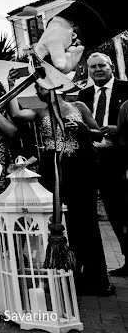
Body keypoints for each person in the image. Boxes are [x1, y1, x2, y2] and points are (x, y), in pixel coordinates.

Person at [8, 83, 114, 296]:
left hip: (81, 169)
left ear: (55, 87)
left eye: (41, 88)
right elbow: (17, 114)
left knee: (86, 222)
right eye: (37, 88)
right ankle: (67, 274)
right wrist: (11, 87)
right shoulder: (40, 111)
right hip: (54, 170)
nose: (38, 92)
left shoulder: (79, 106)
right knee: (58, 221)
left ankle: (95, 277)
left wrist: (81, 129)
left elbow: (98, 134)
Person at [77, 52, 128, 276]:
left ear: (111, 67)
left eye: (101, 66)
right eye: (92, 67)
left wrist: (120, 128)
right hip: (91, 158)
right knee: (94, 214)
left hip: (118, 158)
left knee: (121, 212)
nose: (97, 69)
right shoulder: (83, 95)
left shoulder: (126, 90)